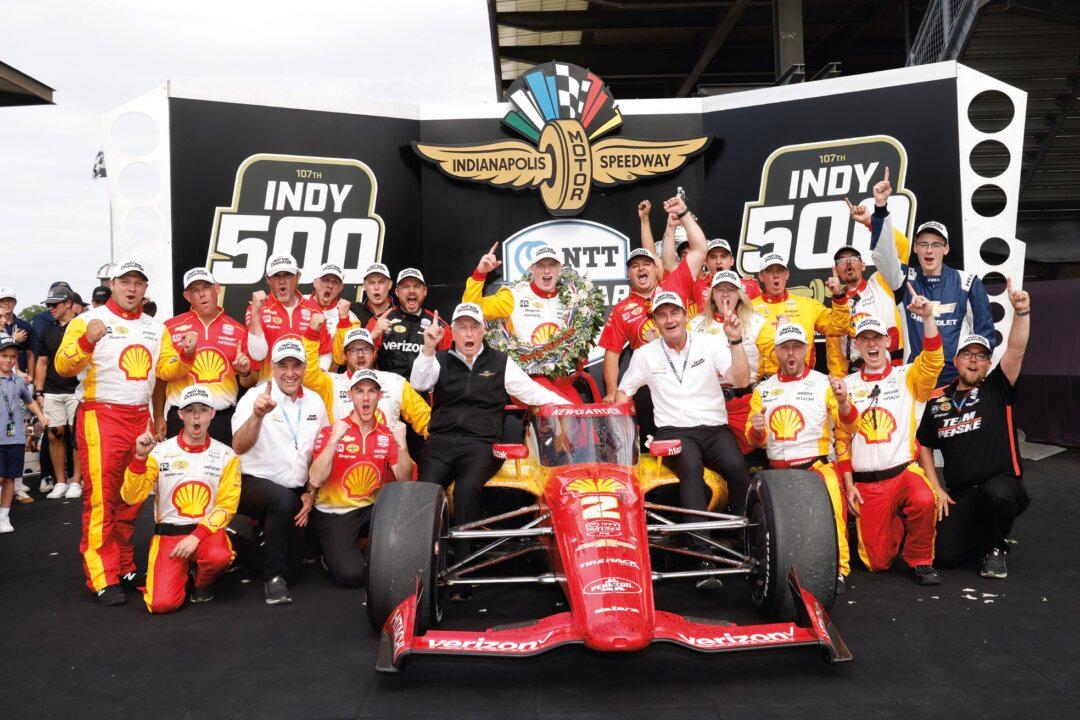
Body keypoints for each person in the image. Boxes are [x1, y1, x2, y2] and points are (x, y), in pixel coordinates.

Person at [54, 260, 197, 604]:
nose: (132, 289)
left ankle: (124, 564)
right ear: (113, 283)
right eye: (125, 282)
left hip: (140, 417)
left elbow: (167, 371)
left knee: (131, 498)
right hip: (100, 416)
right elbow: (63, 365)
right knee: (102, 499)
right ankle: (102, 575)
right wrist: (87, 342)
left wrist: (187, 356)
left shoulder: (155, 327)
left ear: (146, 288)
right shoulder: (86, 321)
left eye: (139, 283)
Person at [409, 302, 571, 568]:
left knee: (466, 489)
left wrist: (568, 407)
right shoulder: (438, 359)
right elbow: (419, 383)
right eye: (462, 328)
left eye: (474, 327)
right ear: (454, 333)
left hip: (481, 445)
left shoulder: (500, 362)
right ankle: (422, 567)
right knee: (427, 488)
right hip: (440, 443)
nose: (469, 334)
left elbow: (533, 393)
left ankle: (463, 568)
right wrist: (428, 348)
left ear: (483, 330)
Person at [614, 291, 751, 587]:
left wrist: (736, 341)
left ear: (685, 316)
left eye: (673, 313)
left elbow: (740, 380)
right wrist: (620, 419)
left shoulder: (711, 342)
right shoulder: (644, 354)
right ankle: (703, 558)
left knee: (737, 468)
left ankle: (752, 543)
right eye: (662, 315)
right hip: (674, 431)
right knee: (690, 467)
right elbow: (623, 392)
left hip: (715, 428)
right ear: (655, 322)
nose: (669, 319)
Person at [916, 279, 1032, 579]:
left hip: (1003, 485)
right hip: (962, 494)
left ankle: (995, 548)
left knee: (997, 496)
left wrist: (1022, 312)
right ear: (956, 360)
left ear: (987, 363)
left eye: (980, 355)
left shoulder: (997, 387)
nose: (973, 360)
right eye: (968, 354)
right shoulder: (938, 401)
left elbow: (1017, 351)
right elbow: (923, 443)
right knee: (943, 557)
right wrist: (935, 487)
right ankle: (990, 533)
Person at [835, 297, 948, 586]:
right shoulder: (845, 386)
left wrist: (928, 318)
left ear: (887, 341)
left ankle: (920, 560)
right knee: (877, 563)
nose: (872, 344)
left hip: (902, 473)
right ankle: (893, 521)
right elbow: (842, 439)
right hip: (867, 484)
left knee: (924, 498)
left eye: (877, 338)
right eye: (865, 339)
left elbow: (934, 361)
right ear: (857, 346)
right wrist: (849, 486)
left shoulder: (906, 375)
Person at [746, 323, 859, 590]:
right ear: (776, 352)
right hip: (777, 473)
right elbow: (753, 440)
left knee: (835, 513)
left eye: (796, 347)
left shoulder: (824, 383)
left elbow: (851, 427)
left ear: (807, 350)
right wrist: (757, 429)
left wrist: (844, 403)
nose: (791, 354)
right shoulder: (763, 389)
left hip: (816, 467)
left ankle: (840, 569)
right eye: (785, 348)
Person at [119, 385, 241, 612]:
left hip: (205, 533)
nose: (197, 417)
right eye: (190, 410)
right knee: (160, 605)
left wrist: (196, 537)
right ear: (180, 414)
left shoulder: (226, 455)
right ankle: (183, 570)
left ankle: (202, 582)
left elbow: (227, 505)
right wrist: (138, 458)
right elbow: (131, 496)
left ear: (213, 413)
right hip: (170, 535)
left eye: (203, 410)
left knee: (219, 557)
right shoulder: (158, 452)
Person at [231, 336, 329, 605]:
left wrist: (311, 493)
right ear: (271, 368)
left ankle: (234, 545)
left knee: (295, 572)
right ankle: (273, 579)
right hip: (251, 483)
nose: (289, 373)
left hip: (294, 488)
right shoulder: (254, 397)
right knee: (283, 501)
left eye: (295, 366)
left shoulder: (316, 402)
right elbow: (238, 446)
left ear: (305, 368)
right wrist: (257, 416)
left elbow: (319, 454)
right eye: (282, 366)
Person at [302, 369, 413, 587]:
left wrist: (403, 446)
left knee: (400, 559)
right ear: (350, 395)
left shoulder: (387, 434)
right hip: (335, 513)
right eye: (360, 391)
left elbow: (405, 480)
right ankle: (326, 552)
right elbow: (314, 479)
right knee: (352, 577)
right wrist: (334, 441)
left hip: (371, 509)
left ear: (380, 397)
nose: (366, 397)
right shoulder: (332, 431)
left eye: (372, 391)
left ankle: (363, 547)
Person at [869, 199, 994, 386]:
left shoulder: (968, 282)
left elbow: (984, 337)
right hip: (916, 379)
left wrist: (973, 378)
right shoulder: (904, 278)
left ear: (946, 248)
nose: (929, 250)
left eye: (936, 245)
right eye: (923, 244)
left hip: (956, 383)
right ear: (915, 248)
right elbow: (883, 256)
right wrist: (880, 208)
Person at [828, 168, 912, 374]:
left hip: (896, 364)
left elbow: (900, 247)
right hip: (858, 373)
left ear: (863, 264)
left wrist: (869, 222)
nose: (848, 264)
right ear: (836, 270)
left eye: (853, 259)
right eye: (842, 261)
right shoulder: (837, 307)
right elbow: (836, 353)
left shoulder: (881, 280)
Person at [158, 267, 255, 444]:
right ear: (187, 296)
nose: (202, 294)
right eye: (195, 290)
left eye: (206, 287)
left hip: (222, 418)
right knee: (179, 471)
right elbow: (162, 377)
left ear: (217, 289)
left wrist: (245, 372)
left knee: (222, 471)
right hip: (181, 416)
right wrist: (158, 416)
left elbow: (248, 383)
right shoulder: (170, 327)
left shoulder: (238, 330)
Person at [690, 271, 767, 458]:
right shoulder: (695, 325)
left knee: (749, 462)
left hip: (744, 402)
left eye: (731, 290)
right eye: (720, 289)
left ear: (740, 294)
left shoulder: (758, 323)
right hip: (707, 405)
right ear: (712, 295)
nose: (725, 294)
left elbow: (774, 364)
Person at [752, 253, 852, 378]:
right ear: (761, 276)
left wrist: (838, 296)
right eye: (770, 271)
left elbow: (838, 327)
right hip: (764, 383)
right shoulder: (749, 308)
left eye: (780, 270)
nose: (776, 275)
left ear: (787, 274)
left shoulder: (807, 304)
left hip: (803, 381)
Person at [327, 327, 430, 443]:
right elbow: (309, 375)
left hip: (387, 457)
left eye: (366, 349)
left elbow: (425, 419)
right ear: (345, 355)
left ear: (374, 353)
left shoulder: (395, 382)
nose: (360, 355)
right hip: (344, 457)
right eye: (354, 350)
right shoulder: (330, 383)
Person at [245, 253, 331, 382]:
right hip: (270, 390)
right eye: (276, 276)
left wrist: (314, 379)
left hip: (306, 389)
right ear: (268, 279)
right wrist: (256, 312)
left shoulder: (314, 309)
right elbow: (258, 355)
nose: (282, 281)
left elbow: (325, 352)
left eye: (288, 275)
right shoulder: (257, 309)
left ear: (298, 277)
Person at [35, 285, 83, 499]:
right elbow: (42, 362)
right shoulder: (48, 330)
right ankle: (60, 482)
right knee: (55, 436)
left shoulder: (82, 326)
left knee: (77, 437)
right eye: (49, 305)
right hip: (53, 390)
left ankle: (76, 481)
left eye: (55, 304)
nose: (51, 308)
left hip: (77, 390)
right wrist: (38, 391)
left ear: (68, 304)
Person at [0, 335, 48, 533]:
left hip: (16, 438)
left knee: (11, 478)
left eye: (13, 356)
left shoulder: (19, 381)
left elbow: (29, 401)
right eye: (4, 355)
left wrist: (41, 416)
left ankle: (4, 516)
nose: (9, 360)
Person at [368, 268, 450, 379]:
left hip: (421, 394)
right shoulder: (378, 321)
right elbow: (363, 363)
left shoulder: (439, 326)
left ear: (425, 291)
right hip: (386, 392)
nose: (411, 291)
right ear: (397, 292)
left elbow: (448, 368)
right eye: (406, 286)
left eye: (416, 286)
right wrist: (373, 336)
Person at [309, 262, 358, 370]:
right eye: (325, 280)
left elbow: (343, 358)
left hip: (325, 377)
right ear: (315, 282)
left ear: (341, 287)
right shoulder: (297, 303)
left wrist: (343, 321)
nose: (330, 286)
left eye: (335, 282)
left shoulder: (350, 317)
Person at [691, 238, 761, 313]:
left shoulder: (751, 285)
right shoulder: (697, 286)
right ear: (706, 262)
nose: (718, 262)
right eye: (713, 257)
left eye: (723, 256)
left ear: (732, 261)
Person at [0, 286, 36, 375]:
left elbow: (30, 354)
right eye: (2, 300)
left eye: (9, 300)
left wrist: (31, 378)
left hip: (20, 377)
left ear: (15, 302)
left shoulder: (26, 326)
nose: (6, 303)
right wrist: (14, 340)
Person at [355, 262, 395, 329]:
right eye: (371, 283)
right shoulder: (353, 311)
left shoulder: (400, 313)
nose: (376, 287)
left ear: (389, 284)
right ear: (364, 286)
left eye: (381, 282)